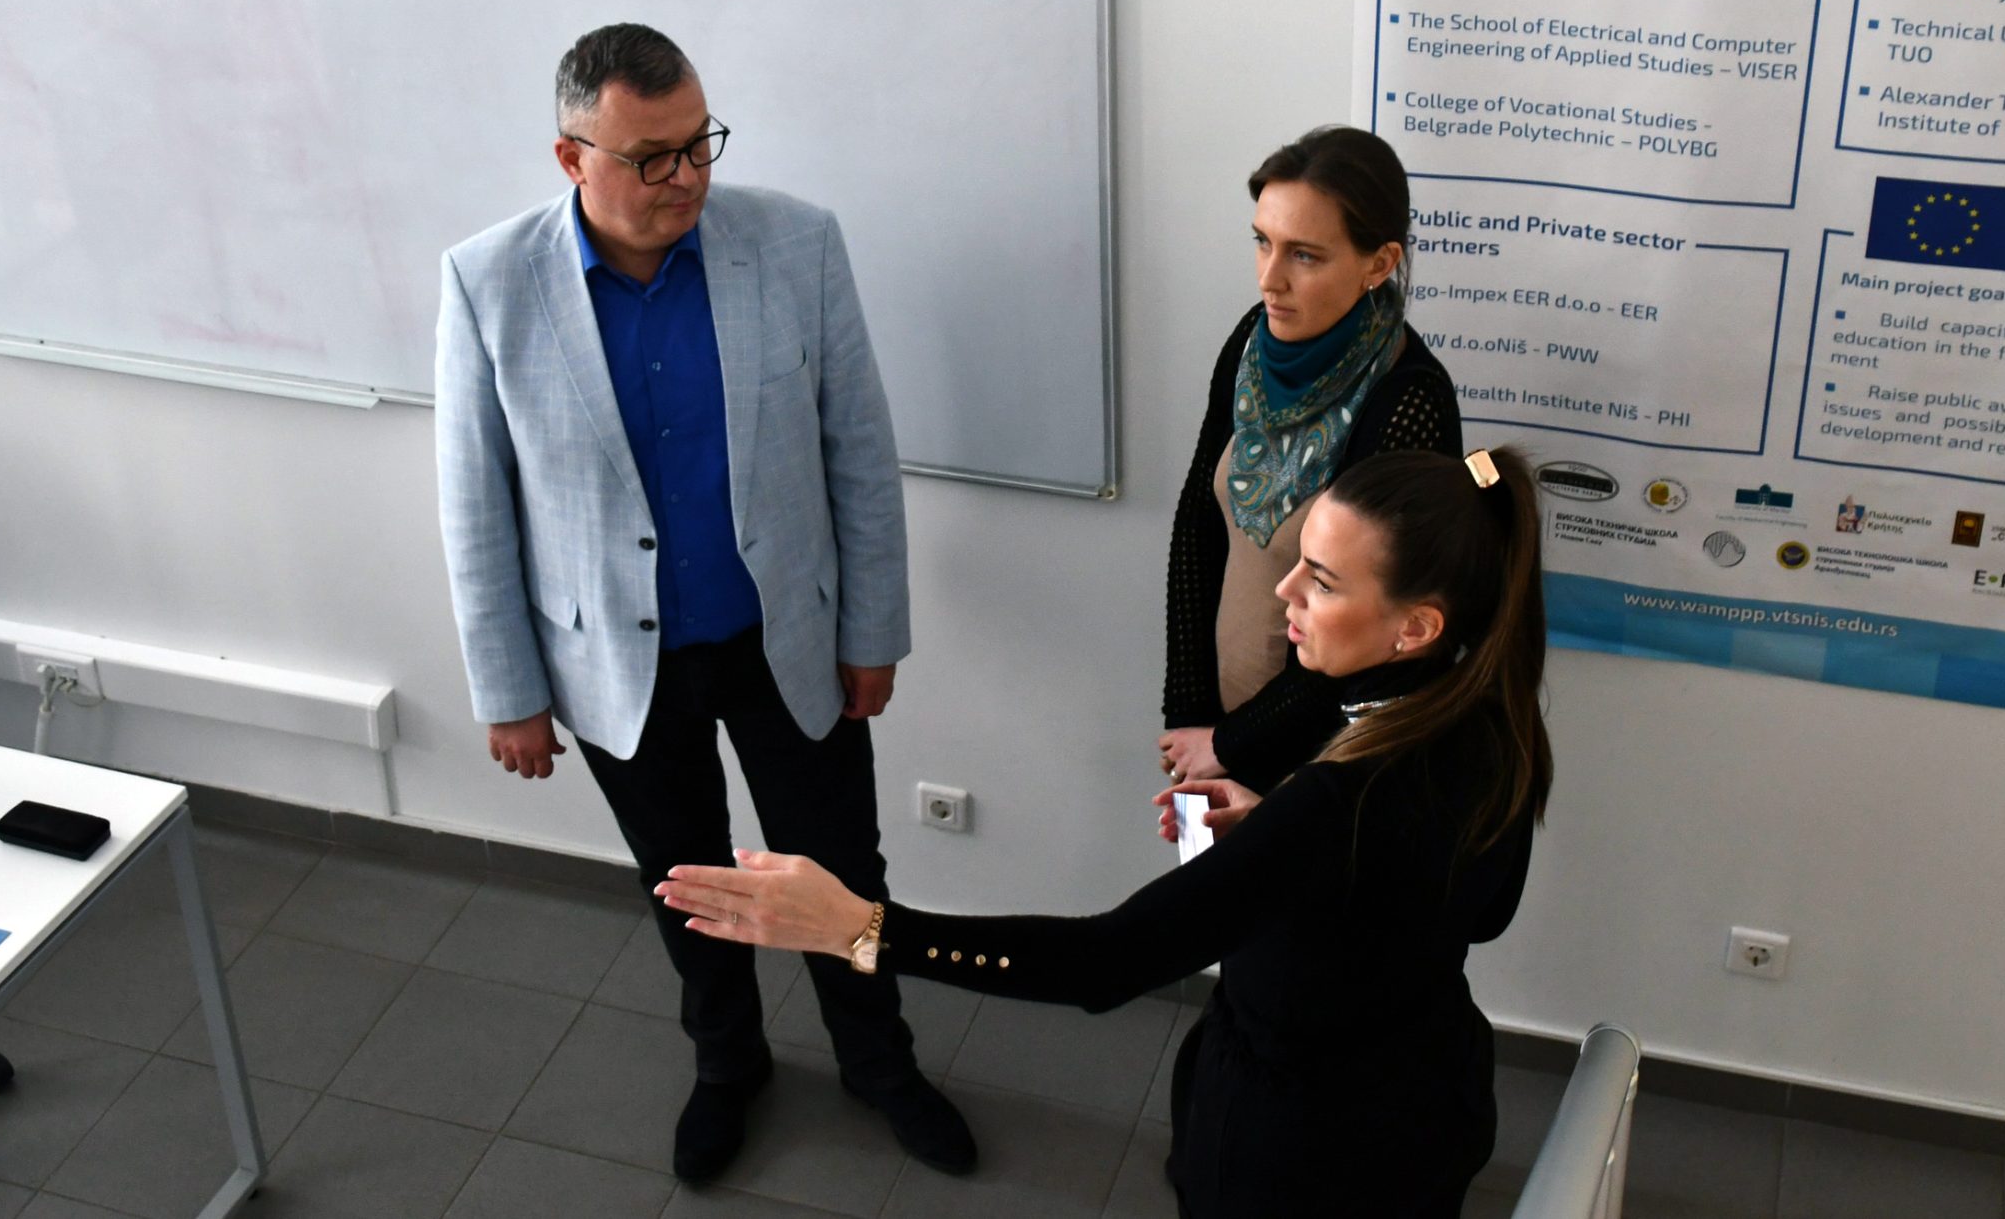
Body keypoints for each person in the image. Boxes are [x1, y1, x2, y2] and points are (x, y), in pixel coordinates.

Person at [659, 445, 1552, 1219]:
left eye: (1321, 580)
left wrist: (858, 928)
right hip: (1430, 1101)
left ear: (1416, 626)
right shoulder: (1494, 727)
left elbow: (1104, 963)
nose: (1285, 589)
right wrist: (1278, 841)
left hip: (1305, 1146)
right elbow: (1481, 911)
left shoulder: (1335, 802)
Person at [434, 23, 974, 1182]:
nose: (684, 178)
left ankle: (878, 1062)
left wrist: (872, 632)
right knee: (683, 882)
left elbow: (858, 453)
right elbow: (474, 505)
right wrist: (509, 692)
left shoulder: (795, 243)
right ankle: (729, 1065)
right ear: (571, 157)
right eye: (651, 158)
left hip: (788, 639)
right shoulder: (488, 281)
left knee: (842, 873)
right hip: (616, 664)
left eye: (698, 145)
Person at [1160, 126, 1462, 795]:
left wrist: (1232, 743)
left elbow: (1380, 626)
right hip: (1214, 731)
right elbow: (1198, 520)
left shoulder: (1408, 399)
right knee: (1202, 869)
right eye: (1262, 242)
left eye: (1304, 255)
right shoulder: (1252, 340)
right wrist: (1188, 711)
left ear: (1379, 263)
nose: (1271, 279)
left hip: (1322, 756)